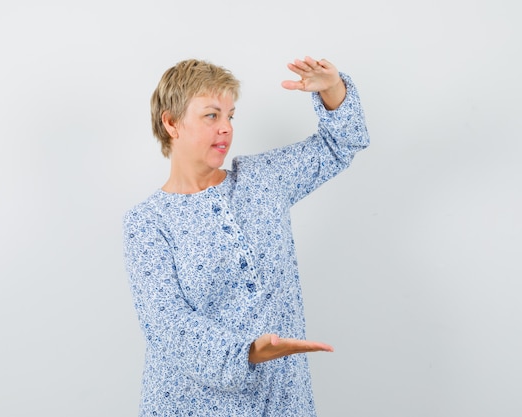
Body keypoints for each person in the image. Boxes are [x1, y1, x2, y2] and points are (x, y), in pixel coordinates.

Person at [122, 56, 370, 416]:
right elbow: (169, 326)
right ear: (171, 122)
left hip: (282, 400)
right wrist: (248, 352)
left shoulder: (262, 180)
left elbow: (340, 145)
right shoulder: (148, 223)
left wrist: (333, 89)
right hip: (190, 405)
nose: (226, 128)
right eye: (211, 115)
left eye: (230, 116)